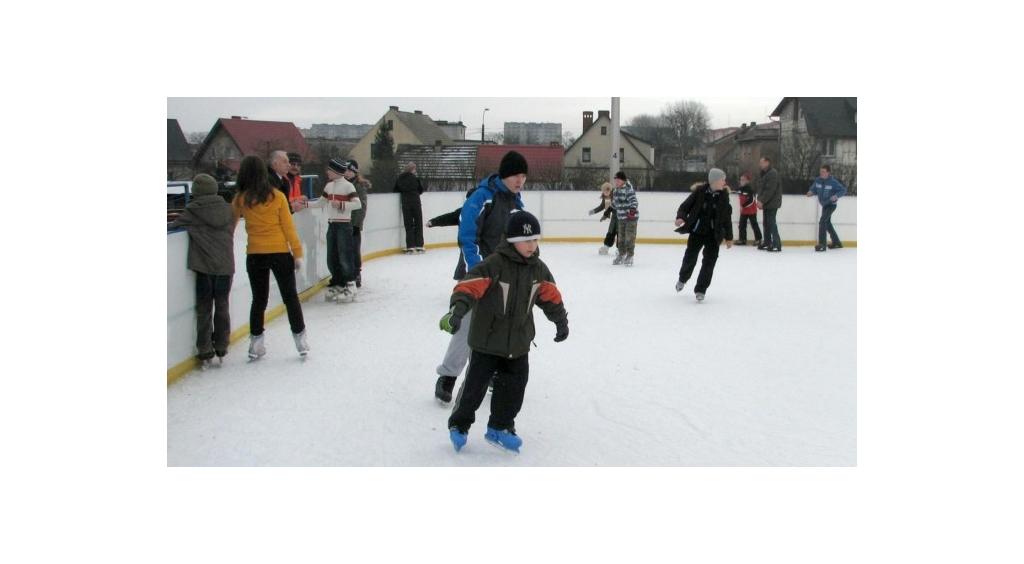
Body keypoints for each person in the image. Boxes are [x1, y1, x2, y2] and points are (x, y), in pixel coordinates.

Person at [439, 210, 569, 454]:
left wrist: (560, 321)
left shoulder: (538, 270)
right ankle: (460, 425)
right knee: (474, 389)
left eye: (535, 240)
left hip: (518, 343)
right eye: (526, 240)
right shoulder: (493, 265)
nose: (532, 245)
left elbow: (551, 297)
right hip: (486, 342)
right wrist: (457, 312)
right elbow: (467, 288)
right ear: (511, 240)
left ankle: (500, 428)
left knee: (514, 389)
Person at [434, 151, 528, 404]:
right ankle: (448, 376)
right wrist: (478, 271)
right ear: (504, 174)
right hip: (478, 273)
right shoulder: (481, 197)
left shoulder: (517, 204)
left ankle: (494, 373)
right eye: (515, 175)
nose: (520, 180)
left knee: (500, 327)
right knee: (466, 327)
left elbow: (518, 243)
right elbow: (467, 236)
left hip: (503, 276)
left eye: (523, 176)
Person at [232, 155, 309, 359]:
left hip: (255, 254)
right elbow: (289, 228)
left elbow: (229, 227)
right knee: (290, 297)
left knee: (259, 300)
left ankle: (256, 343)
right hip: (280, 253)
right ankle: (301, 341)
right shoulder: (277, 196)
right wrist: (298, 254)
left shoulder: (241, 199)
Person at [168, 173, 235, 369]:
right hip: (225, 266)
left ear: (196, 192)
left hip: (204, 267)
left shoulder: (192, 211)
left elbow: (174, 226)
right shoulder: (229, 209)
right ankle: (222, 346)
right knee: (222, 306)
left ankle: (205, 350)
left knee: (204, 309)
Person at [298, 157, 362, 301]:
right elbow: (322, 202)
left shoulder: (348, 187)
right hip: (332, 224)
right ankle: (338, 283)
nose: (327, 172)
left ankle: (350, 284)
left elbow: (357, 204)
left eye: (330, 170)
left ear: (337, 171)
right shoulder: (329, 186)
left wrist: (341, 205)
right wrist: (306, 205)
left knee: (344, 256)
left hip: (344, 225)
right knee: (332, 256)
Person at [673, 168, 734, 302]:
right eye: (722, 180)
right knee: (690, 257)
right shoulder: (699, 192)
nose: (725, 182)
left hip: (714, 235)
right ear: (715, 181)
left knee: (709, 262)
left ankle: (701, 289)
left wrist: (729, 237)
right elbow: (685, 207)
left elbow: (726, 219)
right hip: (697, 231)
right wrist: (681, 217)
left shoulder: (724, 197)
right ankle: (683, 278)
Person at [807, 164, 847, 251]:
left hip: (831, 205)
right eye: (821, 171)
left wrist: (836, 196)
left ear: (828, 173)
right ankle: (836, 242)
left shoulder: (833, 182)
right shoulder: (818, 181)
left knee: (822, 221)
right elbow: (814, 188)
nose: (822, 173)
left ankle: (822, 244)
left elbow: (843, 190)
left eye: (824, 172)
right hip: (824, 205)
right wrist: (811, 192)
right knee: (827, 224)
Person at [344, 160, 371, 286]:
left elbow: (362, 207)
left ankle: (356, 273)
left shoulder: (359, 186)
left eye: (350, 171)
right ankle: (347, 273)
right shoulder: (342, 184)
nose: (347, 173)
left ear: (355, 172)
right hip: (344, 223)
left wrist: (357, 224)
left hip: (353, 224)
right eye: (345, 170)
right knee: (345, 249)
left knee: (354, 250)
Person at [394, 162, 426, 253]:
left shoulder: (400, 178)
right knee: (418, 223)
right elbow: (421, 190)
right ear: (412, 169)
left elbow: (396, 189)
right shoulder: (415, 178)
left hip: (406, 203)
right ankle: (419, 245)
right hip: (416, 202)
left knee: (408, 225)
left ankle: (410, 246)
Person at [611, 171, 639, 266]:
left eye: (618, 180)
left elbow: (634, 202)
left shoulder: (628, 190)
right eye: (615, 180)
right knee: (621, 238)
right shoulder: (616, 191)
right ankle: (621, 254)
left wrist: (631, 212)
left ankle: (630, 255)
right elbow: (615, 203)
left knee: (629, 238)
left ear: (623, 180)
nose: (616, 182)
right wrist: (609, 209)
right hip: (621, 218)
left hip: (630, 219)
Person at [756, 156, 783, 252]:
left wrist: (762, 201)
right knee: (766, 222)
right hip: (767, 202)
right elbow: (762, 188)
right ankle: (767, 241)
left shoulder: (772, 174)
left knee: (771, 222)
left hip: (772, 202)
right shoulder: (765, 173)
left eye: (761, 162)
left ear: (767, 162)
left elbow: (770, 190)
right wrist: (760, 200)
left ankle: (776, 243)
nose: (760, 164)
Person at [588, 181, 617, 254]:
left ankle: (620, 248)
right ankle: (606, 246)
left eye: (608, 191)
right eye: (605, 191)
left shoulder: (616, 195)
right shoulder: (606, 198)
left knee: (620, 232)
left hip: (621, 216)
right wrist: (593, 211)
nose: (607, 193)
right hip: (614, 217)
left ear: (611, 190)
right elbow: (602, 207)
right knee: (611, 231)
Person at [735, 172, 762, 246]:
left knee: (754, 224)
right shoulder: (740, 189)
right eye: (741, 180)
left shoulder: (750, 190)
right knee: (742, 225)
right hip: (744, 211)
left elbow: (751, 200)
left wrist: (743, 206)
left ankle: (758, 239)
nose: (741, 181)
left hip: (751, 211)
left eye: (743, 180)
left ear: (747, 181)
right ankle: (742, 239)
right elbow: (736, 191)